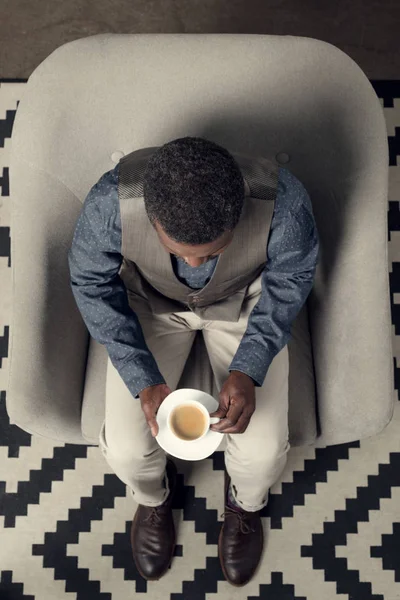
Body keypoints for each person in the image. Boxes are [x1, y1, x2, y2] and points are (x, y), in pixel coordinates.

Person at [68, 136, 319, 586]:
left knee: (261, 452)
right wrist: (141, 376)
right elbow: (90, 282)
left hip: (245, 300)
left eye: (211, 251)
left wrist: (249, 365)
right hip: (151, 300)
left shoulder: (285, 202)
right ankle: (154, 496)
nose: (194, 262)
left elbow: (292, 276)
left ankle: (245, 503)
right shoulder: (111, 201)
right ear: (152, 216)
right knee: (127, 449)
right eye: (179, 249)